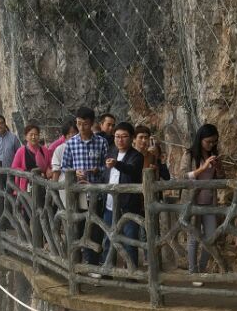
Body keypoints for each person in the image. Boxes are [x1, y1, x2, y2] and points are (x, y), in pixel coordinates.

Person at [61, 107, 111, 265]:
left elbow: (107, 166)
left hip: (97, 193)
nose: (82, 127)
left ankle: (95, 262)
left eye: (85, 124)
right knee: (81, 227)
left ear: (92, 124)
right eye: (79, 124)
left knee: (96, 228)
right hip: (79, 195)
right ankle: (83, 263)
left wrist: (98, 170)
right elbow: (64, 166)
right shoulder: (71, 143)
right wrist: (75, 173)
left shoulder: (101, 142)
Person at [179, 124, 224, 279]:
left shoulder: (214, 155)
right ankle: (193, 272)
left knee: (211, 237)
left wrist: (218, 168)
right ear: (200, 140)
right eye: (208, 142)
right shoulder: (190, 154)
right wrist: (203, 167)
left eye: (214, 142)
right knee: (194, 237)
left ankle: (202, 268)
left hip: (210, 202)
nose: (211, 145)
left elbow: (221, 178)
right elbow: (183, 176)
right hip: (193, 202)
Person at [100, 122, 144, 267]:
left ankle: (132, 272)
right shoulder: (111, 152)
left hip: (129, 205)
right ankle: (108, 270)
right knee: (108, 239)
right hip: (110, 204)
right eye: (117, 136)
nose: (120, 140)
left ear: (131, 138)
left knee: (130, 240)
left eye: (124, 136)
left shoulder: (136, 156)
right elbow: (106, 174)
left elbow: (131, 170)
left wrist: (117, 164)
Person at [11, 121, 52, 191]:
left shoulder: (44, 150)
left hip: (43, 185)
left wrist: (48, 169)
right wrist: (28, 172)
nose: (33, 137)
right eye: (31, 135)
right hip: (26, 186)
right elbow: (14, 168)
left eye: (36, 134)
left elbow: (49, 164)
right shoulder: (21, 151)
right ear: (26, 137)